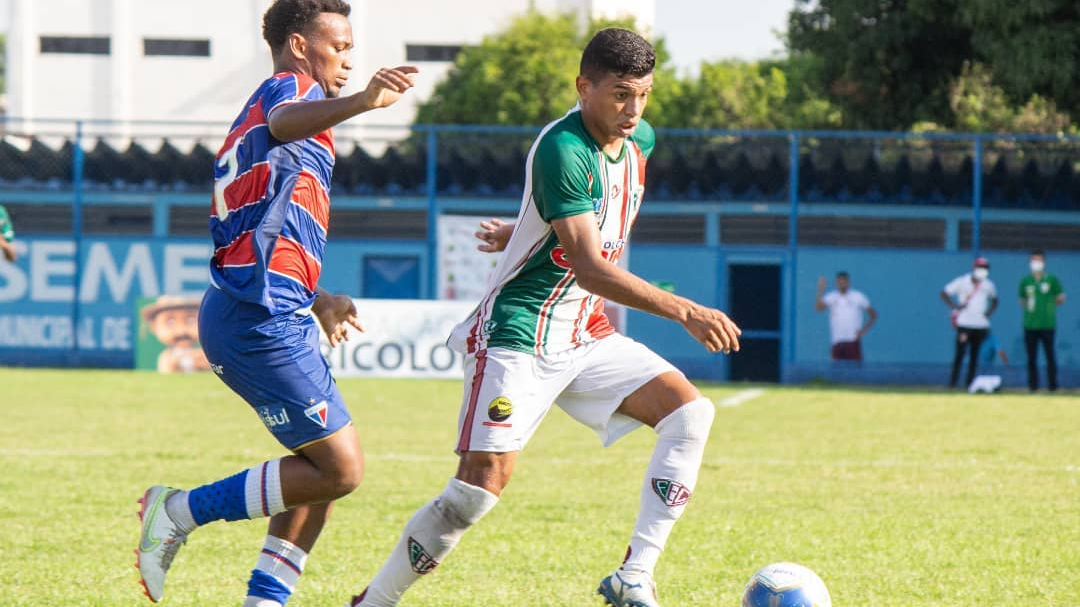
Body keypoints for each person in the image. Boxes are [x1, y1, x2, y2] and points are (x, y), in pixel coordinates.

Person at [345, 28, 741, 607]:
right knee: (475, 493)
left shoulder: (639, 141)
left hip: (585, 332)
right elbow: (590, 267)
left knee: (690, 414)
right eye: (620, 94)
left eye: (644, 95)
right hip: (519, 333)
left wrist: (527, 225)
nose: (633, 110)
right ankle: (372, 602)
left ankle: (634, 575)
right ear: (585, 87)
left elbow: (589, 216)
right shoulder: (563, 147)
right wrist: (684, 308)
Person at [135, 1, 418, 605]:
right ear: (298, 45)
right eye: (338, 45)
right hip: (254, 317)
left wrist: (317, 296)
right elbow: (288, 118)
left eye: (350, 47)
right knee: (341, 469)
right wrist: (365, 99)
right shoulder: (284, 92)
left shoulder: (283, 119)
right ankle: (178, 512)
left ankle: (266, 600)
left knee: (316, 477)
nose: (348, 58)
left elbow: (263, 226)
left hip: (270, 308)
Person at [940, 257, 998, 389]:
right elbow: (944, 293)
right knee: (960, 354)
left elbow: (995, 300)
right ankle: (953, 383)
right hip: (964, 324)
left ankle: (969, 383)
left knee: (974, 355)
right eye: (980, 268)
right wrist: (954, 306)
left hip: (980, 325)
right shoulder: (963, 281)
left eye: (985, 268)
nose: (982, 271)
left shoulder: (988, 285)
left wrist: (988, 313)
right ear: (974, 268)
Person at [1018, 248, 1065, 391]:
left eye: (1039, 260)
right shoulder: (1026, 281)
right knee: (1031, 357)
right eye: (1034, 260)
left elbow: (1060, 298)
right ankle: (1033, 386)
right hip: (1030, 324)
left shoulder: (1051, 279)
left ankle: (1053, 386)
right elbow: (1022, 301)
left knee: (1050, 355)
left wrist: (1048, 306)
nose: (1036, 263)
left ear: (1044, 262)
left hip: (1048, 324)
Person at [814, 271, 876, 362]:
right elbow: (818, 308)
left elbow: (873, 314)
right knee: (836, 372)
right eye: (839, 281)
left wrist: (863, 330)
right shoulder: (831, 297)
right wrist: (820, 289)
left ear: (848, 282)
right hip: (837, 340)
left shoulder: (858, 296)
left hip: (852, 340)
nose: (842, 284)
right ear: (836, 283)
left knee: (855, 371)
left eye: (844, 281)